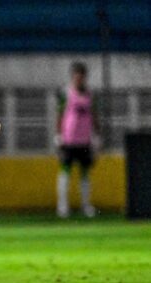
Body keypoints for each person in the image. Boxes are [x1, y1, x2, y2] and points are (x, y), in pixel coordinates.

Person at [55, 62, 99, 218]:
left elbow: (94, 115)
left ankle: (86, 205)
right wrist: (58, 135)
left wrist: (96, 135)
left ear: (85, 77)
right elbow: (59, 114)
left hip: (85, 139)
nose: (79, 79)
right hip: (68, 139)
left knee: (85, 173)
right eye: (76, 76)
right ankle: (62, 207)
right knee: (65, 172)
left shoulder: (90, 94)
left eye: (82, 76)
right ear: (73, 76)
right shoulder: (65, 93)